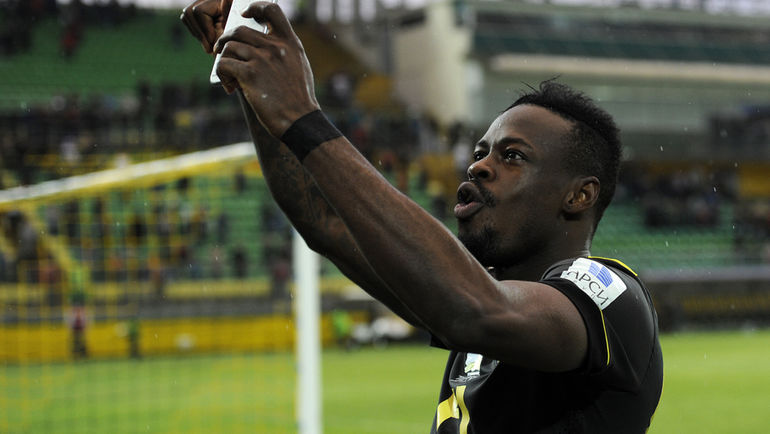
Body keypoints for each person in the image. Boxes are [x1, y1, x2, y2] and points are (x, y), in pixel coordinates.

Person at [181, 2, 663, 432]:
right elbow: (324, 222)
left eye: (513, 156)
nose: (478, 166)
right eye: (480, 152)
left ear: (579, 196)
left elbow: (476, 309)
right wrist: (255, 82)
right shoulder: (469, 295)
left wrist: (303, 116)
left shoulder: (608, 297)